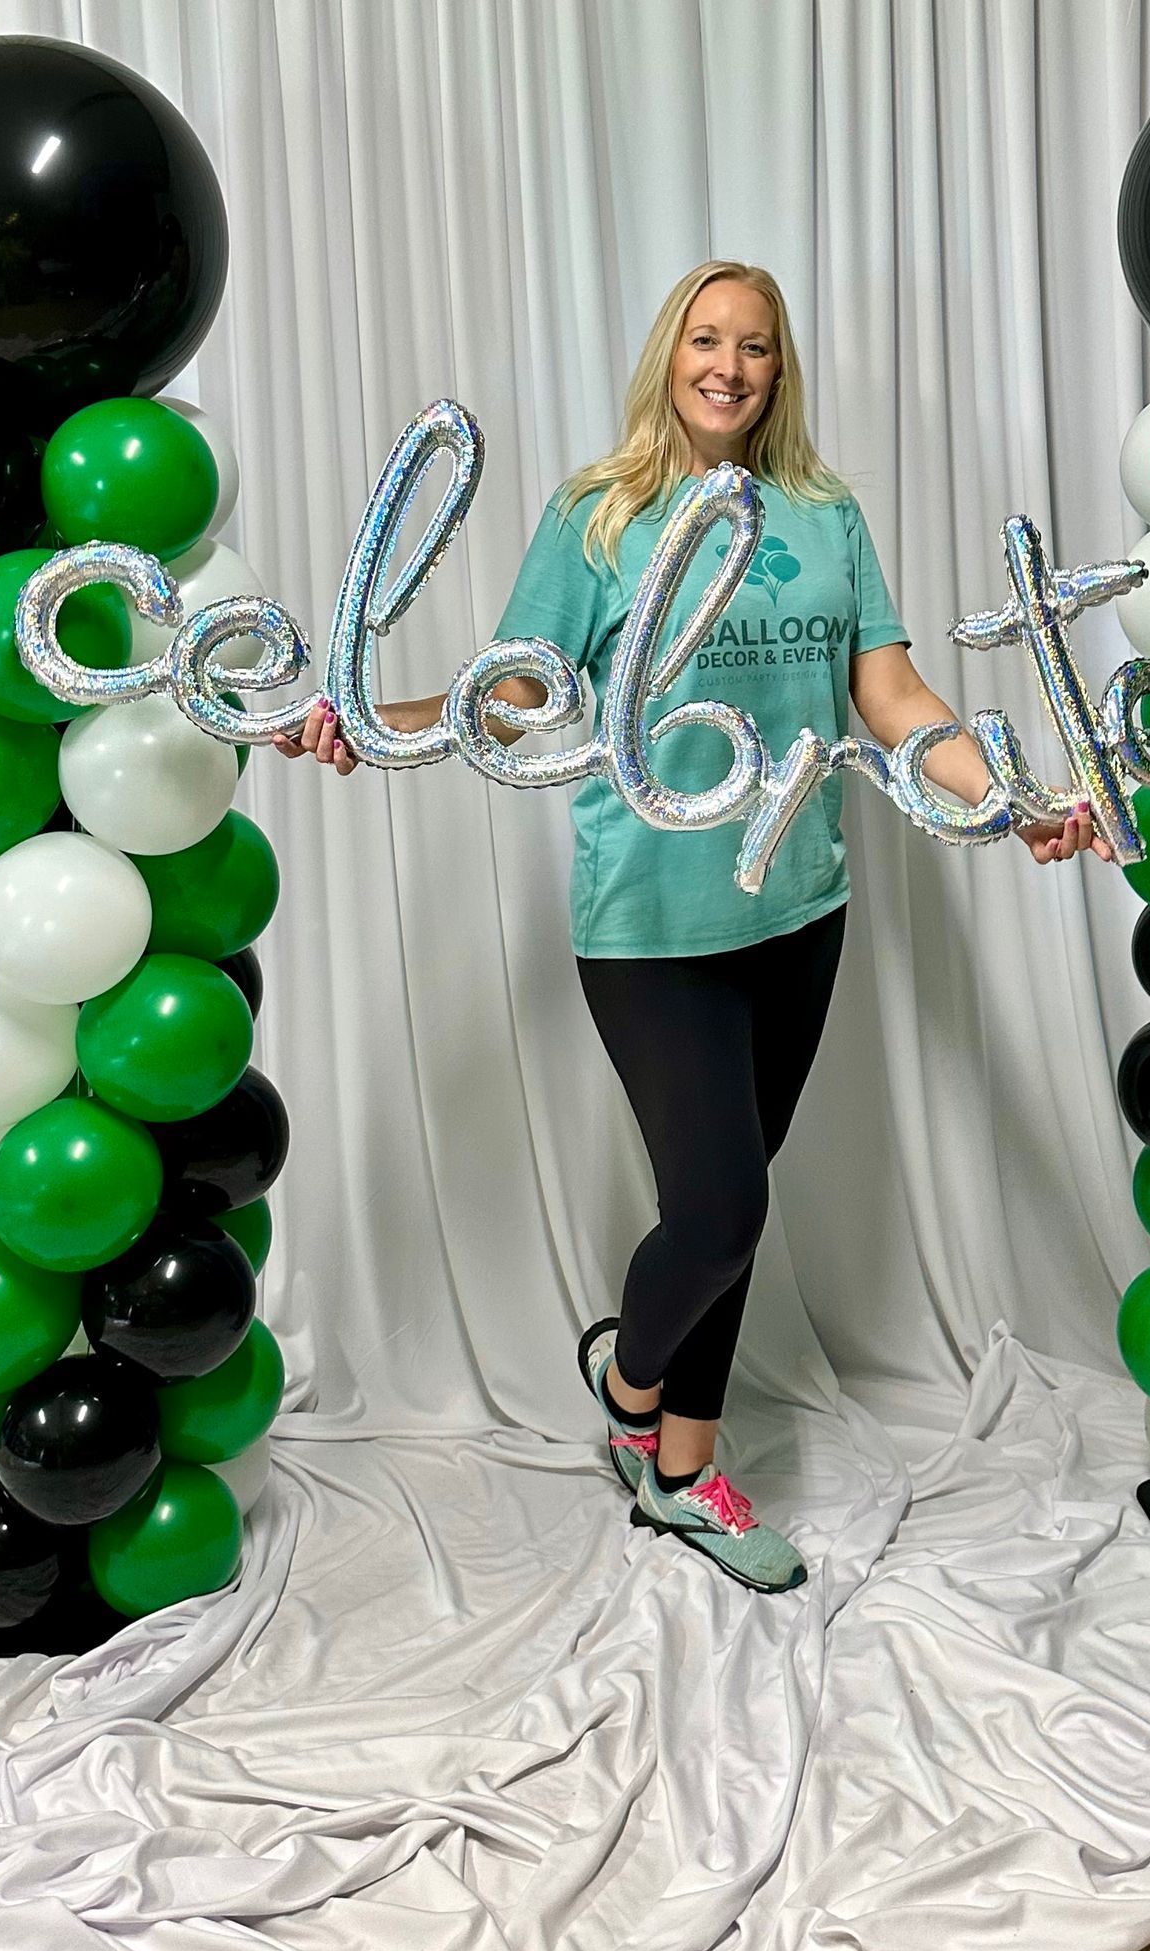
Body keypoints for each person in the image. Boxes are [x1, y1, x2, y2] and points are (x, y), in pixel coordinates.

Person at [277, 259, 1107, 1593]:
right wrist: (383, 728)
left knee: (735, 1204)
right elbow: (520, 692)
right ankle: (628, 1377)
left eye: (757, 347)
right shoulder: (600, 517)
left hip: (800, 907)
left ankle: (681, 1470)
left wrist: (1006, 798)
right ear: (670, 355)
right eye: (708, 340)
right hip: (649, 922)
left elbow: (886, 691)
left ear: (781, 371)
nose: (730, 364)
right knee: (719, 1210)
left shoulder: (825, 515)